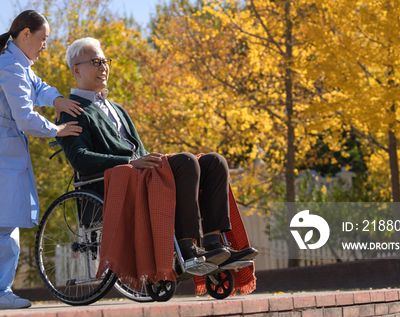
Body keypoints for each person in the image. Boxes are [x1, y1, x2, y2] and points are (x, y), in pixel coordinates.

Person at [56, 37, 258, 266]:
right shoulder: (71, 110)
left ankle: (214, 243)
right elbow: (79, 159)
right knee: (187, 162)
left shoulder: (116, 108)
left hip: (142, 172)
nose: (103, 67)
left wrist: (145, 160)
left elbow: (140, 148)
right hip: (114, 182)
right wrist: (130, 162)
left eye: (104, 61)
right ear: (76, 69)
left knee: (214, 161)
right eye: (95, 61)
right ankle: (186, 246)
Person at [0, 10, 82, 311]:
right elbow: (25, 118)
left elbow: (37, 87)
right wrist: (58, 129)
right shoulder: (11, 69)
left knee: (2, 228)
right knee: (1, 231)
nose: (44, 46)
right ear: (25, 34)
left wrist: (55, 99)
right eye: (42, 39)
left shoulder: (18, 65)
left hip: (0, 160)